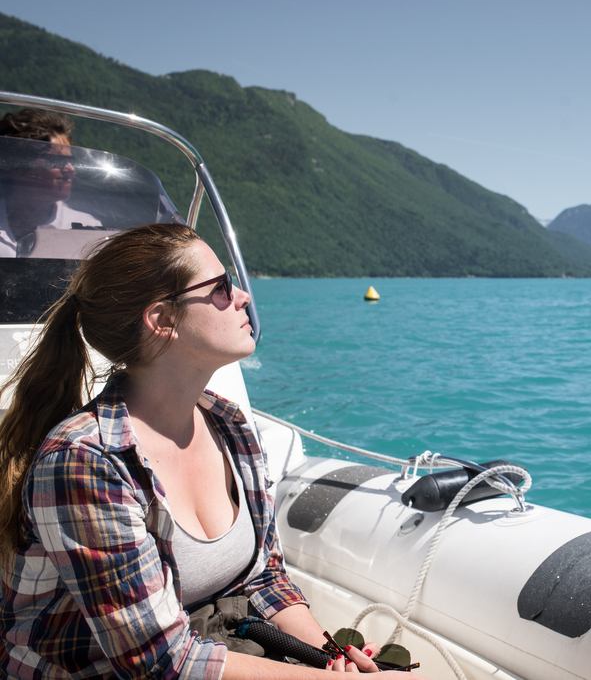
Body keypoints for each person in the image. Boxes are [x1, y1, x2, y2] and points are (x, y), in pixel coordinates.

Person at [0, 223, 423, 678]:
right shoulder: (86, 463)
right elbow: (160, 662)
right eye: (220, 287)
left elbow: (263, 578)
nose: (242, 296)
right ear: (162, 319)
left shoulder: (227, 423)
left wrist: (331, 656)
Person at [0, 108, 101, 257]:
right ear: (19, 165)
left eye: (71, 161)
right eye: (58, 160)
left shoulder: (88, 230)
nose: (70, 169)